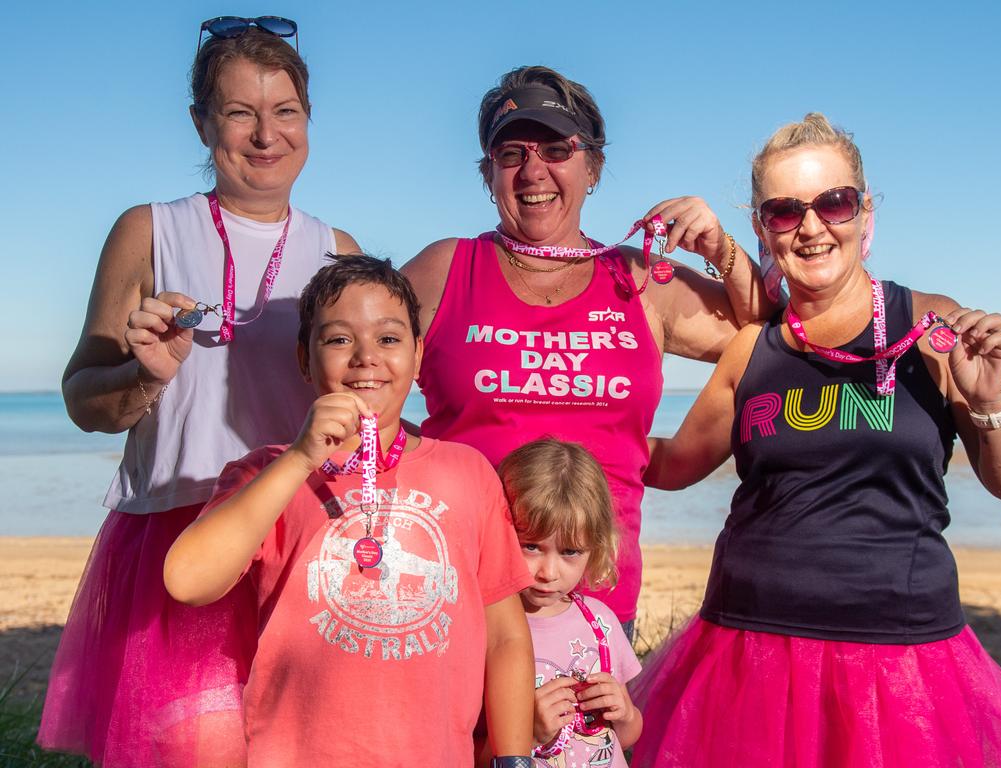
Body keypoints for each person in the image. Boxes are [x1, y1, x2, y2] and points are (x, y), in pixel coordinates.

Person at [632, 113, 1001, 767]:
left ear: (865, 214)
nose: (812, 227)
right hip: (745, 647)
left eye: (833, 203)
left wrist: (990, 402)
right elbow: (672, 466)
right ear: (764, 228)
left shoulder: (929, 324)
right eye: (785, 212)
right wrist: (578, 425)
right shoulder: (753, 348)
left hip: (903, 663)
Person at [39, 18, 358, 767]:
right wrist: (143, 374)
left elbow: (368, 394)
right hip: (175, 535)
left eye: (284, 111)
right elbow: (85, 401)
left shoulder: (337, 250)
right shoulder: (147, 230)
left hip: (298, 539)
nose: (264, 134)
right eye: (239, 112)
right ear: (200, 121)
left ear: (308, 120)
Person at [403, 65, 774, 634]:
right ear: (488, 174)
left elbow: (772, 336)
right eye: (511, 154)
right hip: (460, 597)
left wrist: (723, 251)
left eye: (557, 148)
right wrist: (408, 453)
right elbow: (346, 360)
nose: (533, 171)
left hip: (595, 606)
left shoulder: (640, 279)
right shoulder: (446, 268)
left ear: (593, 166)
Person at [163, 255, 536, 767]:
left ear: (419, 354)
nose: (365, 357)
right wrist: (300, 458)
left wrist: (513, 758)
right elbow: (187, 581)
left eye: (388, 339)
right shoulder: (266, 474)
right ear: (304, 358)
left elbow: (506, 637)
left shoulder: (468, 471)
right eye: (339, 339)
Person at [493, 438, 642, 768]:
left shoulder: (599, 622)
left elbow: (627, 736)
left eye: (570, 552)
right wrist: (526, 734)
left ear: (596, 546)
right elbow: (466, 752)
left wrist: (626, 713)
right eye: (530, 546)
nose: (548, 573)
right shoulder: (489, 630)